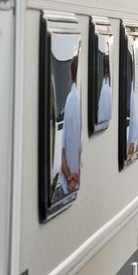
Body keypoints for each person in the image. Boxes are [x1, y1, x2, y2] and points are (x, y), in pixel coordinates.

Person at [60, 55, 81, 196]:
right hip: (73, 181)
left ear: (72, 75)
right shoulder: (76, 99)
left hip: (71, 182)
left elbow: (65, 143)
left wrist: (68, 175)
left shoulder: (72, 99)